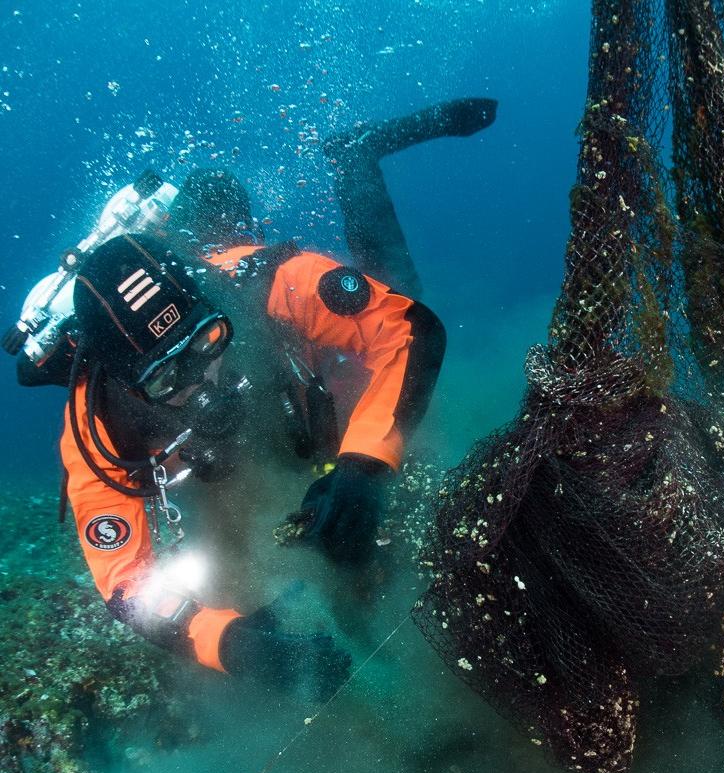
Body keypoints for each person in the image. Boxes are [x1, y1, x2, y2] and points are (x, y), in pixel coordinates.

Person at [38, 98, 497, 699]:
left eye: (209, 342)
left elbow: (410, 329)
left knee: (398, 291)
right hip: (228, 432)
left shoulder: (256, 277)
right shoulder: (96, 431)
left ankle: (355, 158)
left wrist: (364, 465)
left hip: (299, 381)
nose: (205, 383)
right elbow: (126, 584)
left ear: (208, 297)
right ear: (123, 384)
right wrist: (230, 644)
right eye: (167, 382)